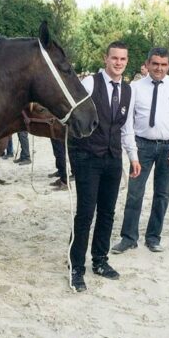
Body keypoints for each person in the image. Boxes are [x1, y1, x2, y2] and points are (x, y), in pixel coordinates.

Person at [68, 41, 140, 292]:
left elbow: (127, 127)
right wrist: (74, 156)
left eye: (123, 59)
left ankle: (100, 260)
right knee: (85, 214)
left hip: (113, 157)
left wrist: (133, 156)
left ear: (127, 61)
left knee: (108, 212)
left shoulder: (128, 91)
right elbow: (73, 120)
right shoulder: (90, 83)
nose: (118, 63)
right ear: (105, 59)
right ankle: (76, 266)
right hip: (88, 157)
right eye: (114, 58)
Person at [111, 47, 169, 254]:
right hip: (142, 146)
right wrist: (131, 151)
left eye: (163, 64)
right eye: (155, 64)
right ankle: (129, 237)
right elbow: (127, 121)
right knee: (134, 193)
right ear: (147, 64)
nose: (159, 68)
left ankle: (153, 237)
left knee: (162, 194)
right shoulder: (135, 87)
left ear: (168, 65)